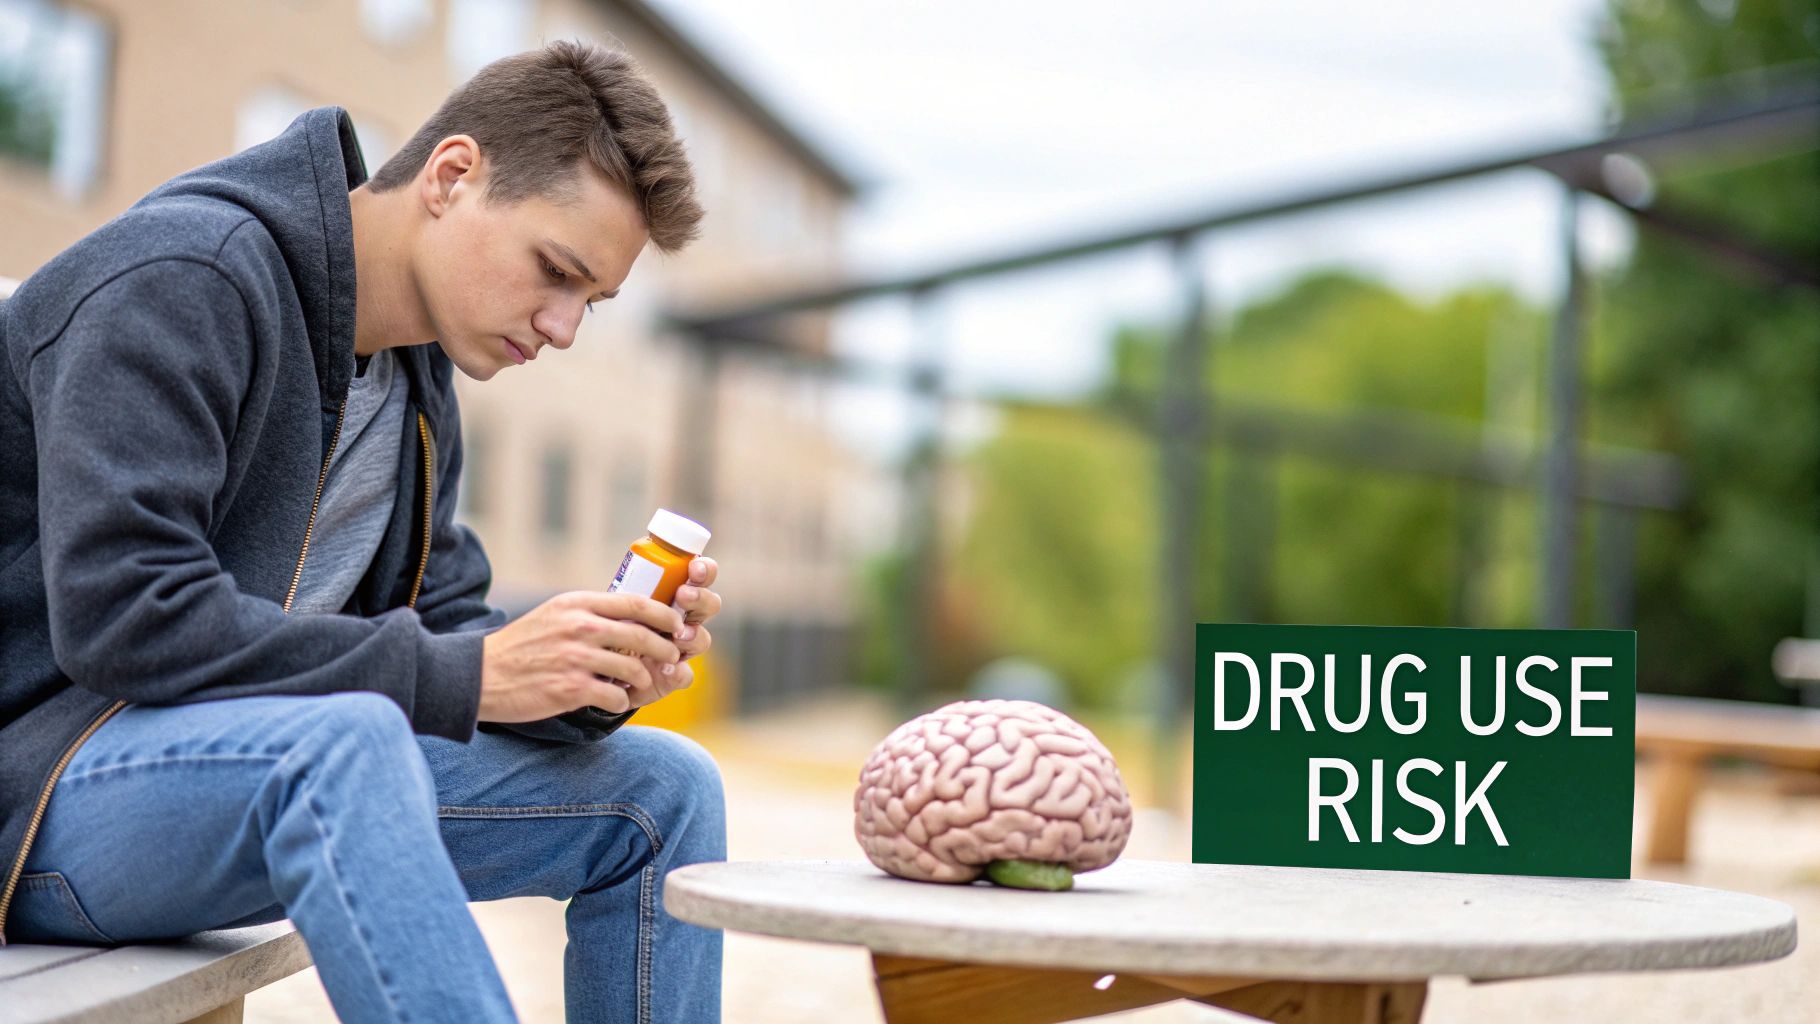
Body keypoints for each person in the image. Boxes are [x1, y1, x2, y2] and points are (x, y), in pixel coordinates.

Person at [0, 40, 727, 1024]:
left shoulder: (418, 383)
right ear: (452, 175)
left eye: (588, 302)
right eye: (553, 271)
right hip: (39, 796)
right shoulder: (186, 278)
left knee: (666, 791)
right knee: (344, 744)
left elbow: (446, 636)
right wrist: (472, 673)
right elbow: (125, 615)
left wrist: (590, 673)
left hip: (237, 787)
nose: (561, 328)